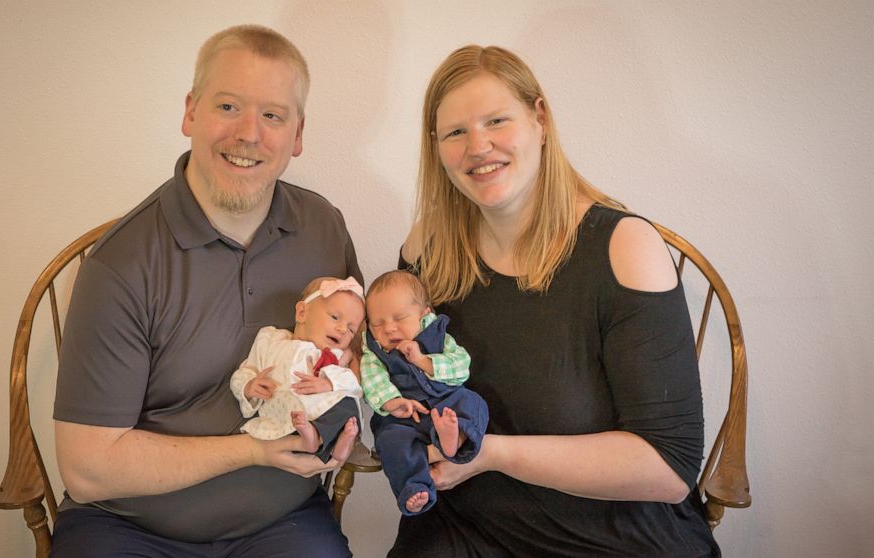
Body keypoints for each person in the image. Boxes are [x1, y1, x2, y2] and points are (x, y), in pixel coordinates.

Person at [389, 45, 720, 557]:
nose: (479, 146)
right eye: (456, 132)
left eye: (496, 120)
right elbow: (400, 374)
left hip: (614, 535)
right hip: (468, 525)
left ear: (540, 118)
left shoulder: (623, 246)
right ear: (436, 147)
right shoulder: (428, 247)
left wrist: (490, 454)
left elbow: (668, 468)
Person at [51, 25, 360, 557]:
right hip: (127, 529)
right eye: (228, 107)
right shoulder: (120, 264)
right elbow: (88, 469)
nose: (249, 134)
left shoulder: (323, 228)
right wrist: (254, 452)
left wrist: (347, 408)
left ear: (298, 135)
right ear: (190, 112)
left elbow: (356, 352)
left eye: (272, 115)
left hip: (284, 523)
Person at [360, 270, 487, 516]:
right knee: (390, 442)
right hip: (403, 418)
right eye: (378, 323)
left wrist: (422, 360)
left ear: (424, 315)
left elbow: (461, 367)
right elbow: (371, 381)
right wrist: (392, 402)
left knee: (473, 402)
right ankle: (414, 488)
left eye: (399, 318)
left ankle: (456, 437)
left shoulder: (438, 336)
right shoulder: (374, 353)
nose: (389, 329)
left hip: (446, 404)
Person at [230, 276, 365, 463]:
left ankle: (339, 444)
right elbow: (245, 371)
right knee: (313, 416)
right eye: (335, 317)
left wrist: (329, 384)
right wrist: (248, 386)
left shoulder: (335, 355)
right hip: (284, 410)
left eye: (351, 329)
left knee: (348, 405)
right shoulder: (270, 340)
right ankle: (309, 438)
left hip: (319, 410)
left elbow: (353, 382)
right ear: (302, 312)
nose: (343, 329)